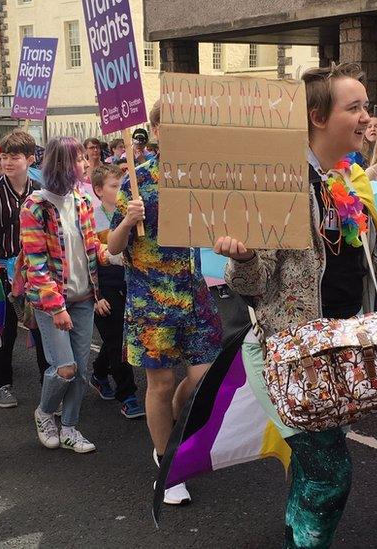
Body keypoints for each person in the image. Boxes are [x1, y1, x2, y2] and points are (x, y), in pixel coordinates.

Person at [214, 62, 377, 549]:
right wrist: (244, 255)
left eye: (366, 107)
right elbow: (253, 284)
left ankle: (296, 536)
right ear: (316, 116)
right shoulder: (280, 185)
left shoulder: (345, 183)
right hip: (294, 356)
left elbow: (373, 264)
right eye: (354, 107)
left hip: (340, 352)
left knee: (313, 469)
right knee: (331, 476)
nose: (366, 118)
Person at [108, 102, 224, 505]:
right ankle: (167, 465)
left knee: (204, 379)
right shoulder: (136, 183)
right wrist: (126, 220)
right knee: (160, 382)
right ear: (155, 129)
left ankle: (173, 430)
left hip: (195, 296)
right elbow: (112, 247)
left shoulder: (200, 178)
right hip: (152, 302)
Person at [20, 137, 104, 454]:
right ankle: (44, 412)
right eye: (79, 158)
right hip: (52, 302)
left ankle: (69, 427)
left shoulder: (81, 201)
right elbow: (35, 262)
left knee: (80, 371)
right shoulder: (35, 206)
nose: (85, 164)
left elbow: (92, 247)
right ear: (64, 164)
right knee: (65, 368)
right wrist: (56, 307)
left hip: (83, 298)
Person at [0, 130, 47, 407]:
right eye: (3, 157)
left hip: (36, 269)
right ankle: (3, 384)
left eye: (14, 157)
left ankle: (49, 382)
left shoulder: (40, 191)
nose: (7, 162)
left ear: (30, 159)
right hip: (2, 270)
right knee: (4, 329)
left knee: (42, 328)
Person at [89, 163, 144, 418]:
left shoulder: (131, 211)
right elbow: (87, 259)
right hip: (105, 282)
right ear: (98, 190)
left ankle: (99, 373)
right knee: (116, 339)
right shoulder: (91, 217)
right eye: (114, 186)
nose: (121, 189)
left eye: (123, 184)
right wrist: (96, 295)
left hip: (130, 280)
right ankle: (128, 394)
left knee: (120, 337)